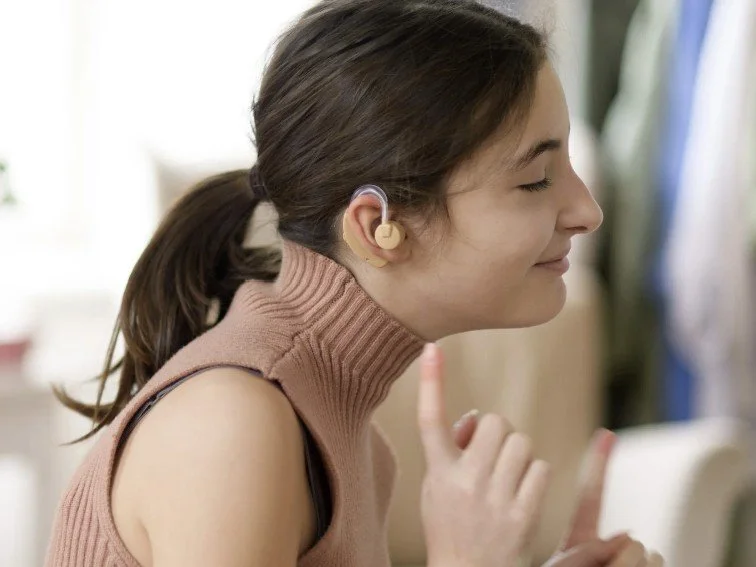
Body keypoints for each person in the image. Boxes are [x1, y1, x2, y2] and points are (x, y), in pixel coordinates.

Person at [47, 1, 663, 566]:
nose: (588, 211)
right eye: (536, 179)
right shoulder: (236, 422)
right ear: (379, 228)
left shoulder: (349, 436)